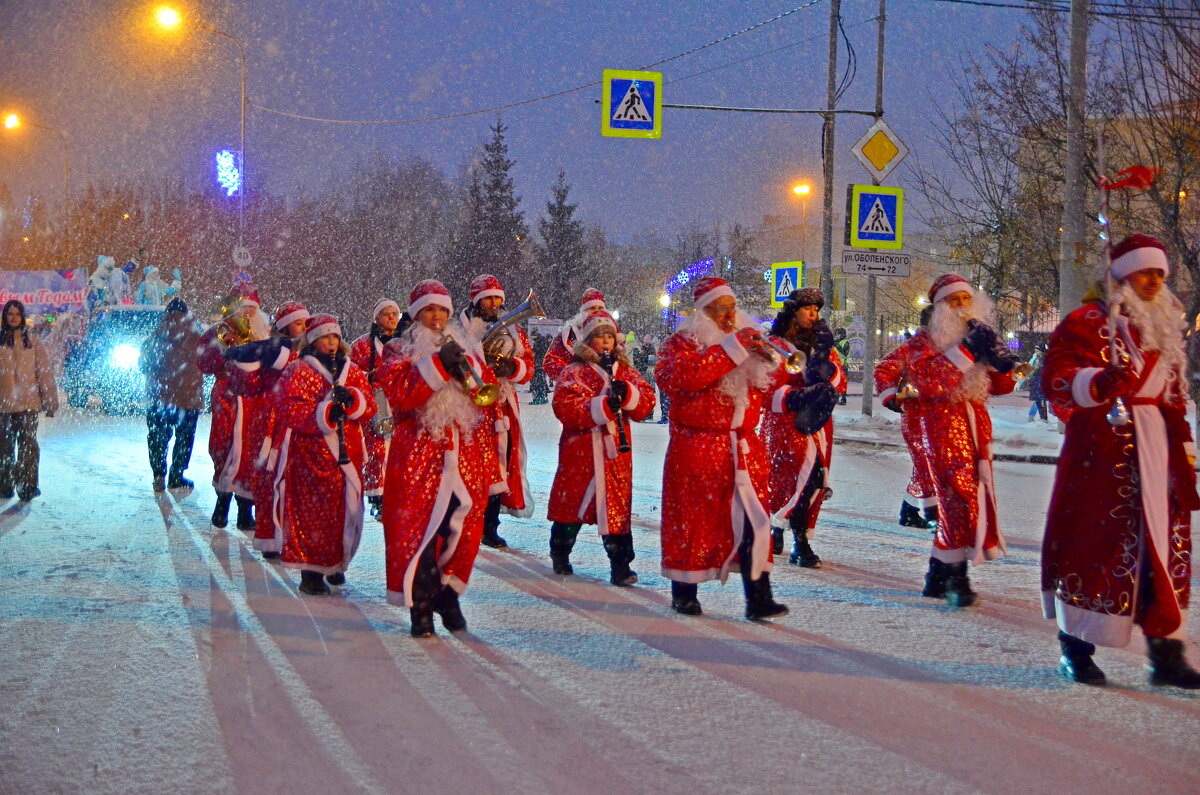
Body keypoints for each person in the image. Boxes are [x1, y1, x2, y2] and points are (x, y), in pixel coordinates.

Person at [1041, 234, 1200, 688]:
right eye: (1145, 271)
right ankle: (1076, 646)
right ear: (1121, 273)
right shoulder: (1088, 321)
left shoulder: (1163, 323)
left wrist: (1182, 450)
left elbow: (1173, 396)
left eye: (1160, 273)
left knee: (1162, 555)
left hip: (1159, 452)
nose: (1154, 280)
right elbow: (1057, 378)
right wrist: (1096, 381)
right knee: (1096, 546)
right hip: (1103, 451)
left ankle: (1166, 654)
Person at [654, 277, 788, 620]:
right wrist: (733, 348)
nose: (729, 314)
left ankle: (759, 596)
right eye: (720, 309)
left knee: (755, 522)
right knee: (693, 522)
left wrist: (771, 359)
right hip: (697, 446)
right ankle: (685, 591)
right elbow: (684, 379)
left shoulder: (744, 340)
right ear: (703, 312)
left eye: (732, 307)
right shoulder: (680, 344)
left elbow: (772, 383)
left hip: (744, 446)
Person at [376, 280, 501, 637]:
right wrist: (436, 366)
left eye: (442, 310)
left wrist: (469, 376)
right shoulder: (398, 350)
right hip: (418, 453)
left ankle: (447, 593)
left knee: (462, 529)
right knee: (420, 535)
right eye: (430, 310)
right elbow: (401, 395)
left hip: (461, 452)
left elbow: (485, 394)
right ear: (416, 315)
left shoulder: (463, 345)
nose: (437, 317)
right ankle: (422, 608)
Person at [906, 274, 1016, 607]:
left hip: (976, 425)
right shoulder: (924, 342)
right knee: (957, 498)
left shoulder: (976, 334)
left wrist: (997, 359)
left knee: (972, 497)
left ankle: (937, 575)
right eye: (954, 301)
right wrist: (966, 350)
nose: (961, 307)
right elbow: (930, 381)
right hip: (941, 423)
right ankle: (957, 576)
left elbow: (1002, 388)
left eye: (966, 299)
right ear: (939, 306)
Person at [547, 309, 655, 584]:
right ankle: (560, 552)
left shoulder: (626, 371)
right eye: (599, 337)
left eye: (609, 336)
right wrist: (602, 406)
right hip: (580, 452)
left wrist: (629, 395)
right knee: (572, 507)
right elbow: (564, 406)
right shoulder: (574, 372)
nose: (605, 342)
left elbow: (645, 402)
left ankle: (620, 566)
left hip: (614, 455)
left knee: (616, 511)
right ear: (587, 341)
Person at [276, 314, 375, 596]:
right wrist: (324, 413)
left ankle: (334, 562)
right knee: (312, 514)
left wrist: (353, 400)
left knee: (343, 510)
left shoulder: (352, 370)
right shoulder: (298, 371)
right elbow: (287, 409)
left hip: (347, 456)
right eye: (324, 337)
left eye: (334, 337)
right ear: (313, 340)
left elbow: (368, 408)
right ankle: (312, 571)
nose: (330, 343)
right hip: (311, 454)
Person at [762, 288, 846, 568]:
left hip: (817, 422)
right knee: (792, 480)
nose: (814, 314)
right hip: (785, 421)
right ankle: (789, 535)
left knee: (812, 482)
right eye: (808, 309)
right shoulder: (776, 343)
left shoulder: (822, 345)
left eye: (817, 310)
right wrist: (795, 396)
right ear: (793, 311)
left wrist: (823, 359)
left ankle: (792, 535)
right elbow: (766, 386)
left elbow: (840, 382)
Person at [224, 300, 310, 558]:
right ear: (285, 327)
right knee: (267, 479)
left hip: (297, 425)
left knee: (294, 484)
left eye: (306, 322)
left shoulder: (308, 354)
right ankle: (269, 535)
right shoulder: (272, 352)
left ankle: (291, 536)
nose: (304, 327)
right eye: (298, 323)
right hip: (270, 423)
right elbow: (249, 384)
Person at [460, 274, 536, 548]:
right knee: (472, 467)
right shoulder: (460, 328)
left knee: (500, 467)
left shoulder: (515, 332)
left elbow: (529, 365)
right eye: (488, 298)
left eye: (497, 299)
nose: (493, 304)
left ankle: (490, 526)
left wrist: (512, 369)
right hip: (470, 408)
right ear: (477, 300)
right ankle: (469, 522)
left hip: (502, 407)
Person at [197, 281, 273, 529]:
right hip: (228, 396)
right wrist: (223, 349)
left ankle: (244, 510)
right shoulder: (217, 332)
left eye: (252, 309)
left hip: (256, 400)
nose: (248, 314)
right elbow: (205, 364)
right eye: (244, 309)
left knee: (252, 453)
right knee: (225, 447)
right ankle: (222, 504)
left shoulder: (265, 334)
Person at [875, 304, 938, 529]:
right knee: (928, 465)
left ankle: (909, 511)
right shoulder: (913, 348)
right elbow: (884, 369)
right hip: (917, 415)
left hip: (943, 418)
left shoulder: (952, 347)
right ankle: (936, 515)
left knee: (928, 465)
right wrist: (892, 397)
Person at [139, 297, 203, 492]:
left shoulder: (154, 338)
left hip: (160, 396)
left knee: (158, 436)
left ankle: (158, 474)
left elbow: (142, 366)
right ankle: (177, 475)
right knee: (184, 438)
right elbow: (207, 365)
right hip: (188, 396)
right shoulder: (196, 338)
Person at [350, 298, 405, 519]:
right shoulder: (362, 345)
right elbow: (352, 374)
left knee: (400, 450)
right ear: (377, 318)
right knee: (378, 451)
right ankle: (378, 498)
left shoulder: (405, 341)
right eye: (387, 314)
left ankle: (398, 494)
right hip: (376, 402)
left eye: (395, 313)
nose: (392, 318)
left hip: (400, 401)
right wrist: (369, 378)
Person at [0, 300, 58, 501]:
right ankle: (3, 484)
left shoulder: (33, 342)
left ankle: (27, 486)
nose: (13, 318)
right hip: (4, 405)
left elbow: (44, 373)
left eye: (16, 314)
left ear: (22, 317)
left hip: (28, 404)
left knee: (28, 447)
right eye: (9, 314)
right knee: (3, 448)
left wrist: (50, 401)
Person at [543, 287, 606, 383]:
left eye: (600, 308)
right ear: (584, 311)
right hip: (574, 392)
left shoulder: (612, 336)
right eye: (592, 308)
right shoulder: (568, 335)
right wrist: (573, 374)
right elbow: (550, 362)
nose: (596, 312)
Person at [1023, 344, 1048, 423]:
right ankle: (1040, 417)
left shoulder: (1044, 360)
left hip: (1041, 383)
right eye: (1035, 350)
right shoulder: (1036, 359)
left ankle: (1044, 418)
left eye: (1037, 350)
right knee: (1038, 400)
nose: (1036, 351)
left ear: (1041, 351)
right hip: (1036, 383)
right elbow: (1032, 370)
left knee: (1041, 401)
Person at [529, 331, 551, 405]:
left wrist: (534, 352)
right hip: (540, 364)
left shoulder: (540, 341)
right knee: (541, 381)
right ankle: (542, 398)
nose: (532, 339)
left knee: (538, 382)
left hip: (539, 364)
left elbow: (541, 352)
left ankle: (539, 398)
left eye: (532, 337)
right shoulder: (541, 340)